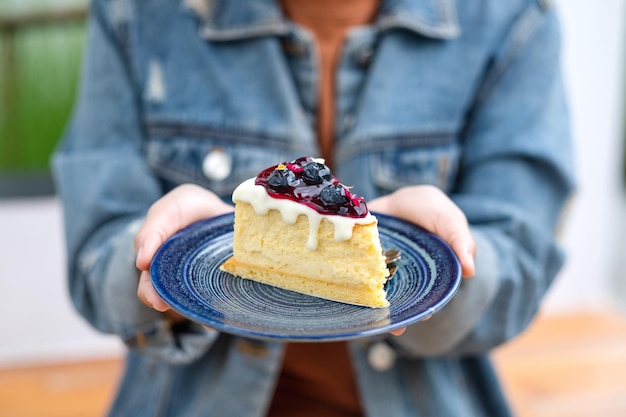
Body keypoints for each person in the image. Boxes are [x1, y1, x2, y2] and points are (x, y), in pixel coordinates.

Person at [52, 0, 575, 416]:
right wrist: (159, 258)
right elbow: (93, 259)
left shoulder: (513, 18)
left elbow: (523, 264)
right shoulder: (136, 13)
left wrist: (442, 267)